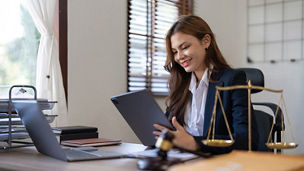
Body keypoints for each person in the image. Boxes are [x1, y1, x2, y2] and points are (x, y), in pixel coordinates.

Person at [153, 15, 257, 154]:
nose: (179, 56)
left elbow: (246, 141)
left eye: (184, 47)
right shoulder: (180, 84)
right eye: (175, 52)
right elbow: (170, 129)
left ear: (206, 41)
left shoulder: (232, 80)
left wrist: (194, 143)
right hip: (181, 159)